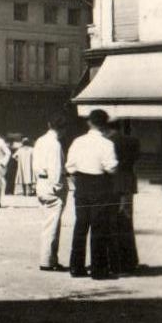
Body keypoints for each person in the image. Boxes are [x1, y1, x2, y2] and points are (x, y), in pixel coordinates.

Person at [65, 109, 119, 279]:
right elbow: (111, 167)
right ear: (105, 124)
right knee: (99, 227)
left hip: (81, 184)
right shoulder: (107, 144)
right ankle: (98, 269)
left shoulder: (77, 141)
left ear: (89, 122)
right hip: (100, 185)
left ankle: (76, 267)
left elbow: (70, 166)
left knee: (80, 226)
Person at [32, 116, 67, 270]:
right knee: (52, 226)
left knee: (47, 224)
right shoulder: (55, 144)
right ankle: (47, 261)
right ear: (63, 129)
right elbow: (56, 168)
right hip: (51, 186)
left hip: (41, 182)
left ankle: (50, 259)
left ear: (49, 124)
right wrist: (58, 187)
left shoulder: (40, 140)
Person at [110, 121, 141, 273]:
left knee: (114, 223)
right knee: (127, 222)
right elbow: (136, 159)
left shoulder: (108, 142)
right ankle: (130, 260)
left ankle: (116, 261)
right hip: (128, 182)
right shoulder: (133, 141)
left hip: (112, 184)